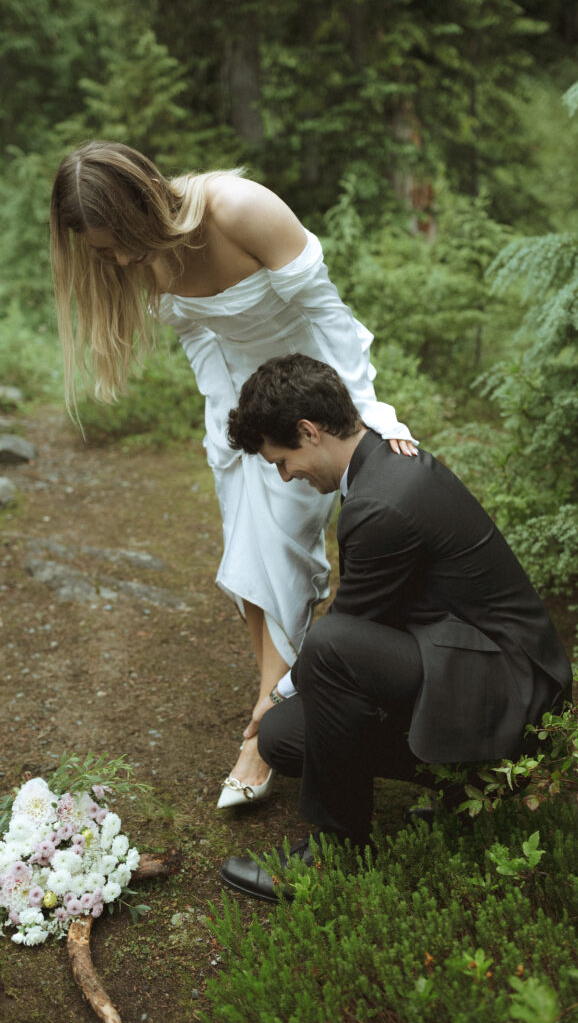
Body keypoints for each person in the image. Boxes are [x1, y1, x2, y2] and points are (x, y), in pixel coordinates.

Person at [49, 142, 418, 806]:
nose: (125, 261)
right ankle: (273, 698)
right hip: (241, 402)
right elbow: (196, 332)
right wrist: (226, 425)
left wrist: (363, 420)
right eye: (106, 253)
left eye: (122, 242)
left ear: (142, 201)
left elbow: (328, 321)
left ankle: (265, 727)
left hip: (311, 394)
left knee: (278, 540)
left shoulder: (241, 209)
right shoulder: (142, 249)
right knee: (246, 548)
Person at [219, 353, 572, 902]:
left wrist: (275, 689)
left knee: (331, 648)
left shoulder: (385, 500)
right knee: (284, 737)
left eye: (282, 460)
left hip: (516, 691)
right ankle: (465, 786)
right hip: (463, 660)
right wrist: (279, 703)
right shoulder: (380, 467)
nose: (285, 475)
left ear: (309, 432)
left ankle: (337, 856)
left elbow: (345, 635)